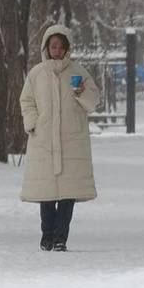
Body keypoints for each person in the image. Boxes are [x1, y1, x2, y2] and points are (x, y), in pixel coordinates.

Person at [20, 24, 101, 252]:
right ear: (47, 47)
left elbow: (93, 102)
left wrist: (81, 92)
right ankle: (47, 235)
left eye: (61, 46)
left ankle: (60, 238)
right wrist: (32, 123)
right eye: (53, 46)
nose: (57, 50)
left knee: (68, 194)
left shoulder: (78, 72)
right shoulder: (36, 74)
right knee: (46, 194)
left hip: (71, 142)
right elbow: (26, 101)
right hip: (43, 140)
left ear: (67, 48)